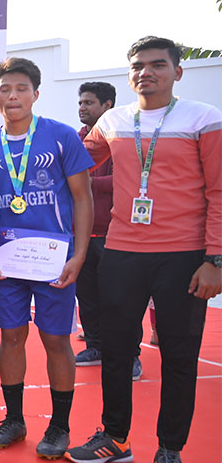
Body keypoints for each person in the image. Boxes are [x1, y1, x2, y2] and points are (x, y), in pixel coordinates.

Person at [68, 36, 222, 463]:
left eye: (158, 65)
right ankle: (115, 437)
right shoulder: (113, 121)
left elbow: (219, 191)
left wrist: (215, 259)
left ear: (178, 71)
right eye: (138, 65)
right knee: (116, 351)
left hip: (183, 256)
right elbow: (75, 165)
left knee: (178, 357)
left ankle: (170, 450)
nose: (146, 72)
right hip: (121, 251)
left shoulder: (204, 118)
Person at [0, 57, 93, 459]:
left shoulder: (61, 137)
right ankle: (14, 419)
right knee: (10, 337)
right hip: (8, 261)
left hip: (54, 260)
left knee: (56, 339)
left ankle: (59, 426)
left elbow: (83, 198)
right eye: (5, 89)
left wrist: (79, 255)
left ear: (35, 94)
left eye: (21, 88)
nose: (13, 96)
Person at [72, 82, 142, 379]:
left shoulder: (121, 139)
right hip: (81, 235)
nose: (82, 108)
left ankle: (131, 355)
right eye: (80, 103)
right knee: (87, 298)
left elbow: (126, 181)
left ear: (107, 105)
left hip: (115, 236)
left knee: (122, 300)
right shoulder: (75, 140)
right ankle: (96, 346)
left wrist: (86, 183)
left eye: (89, 103)